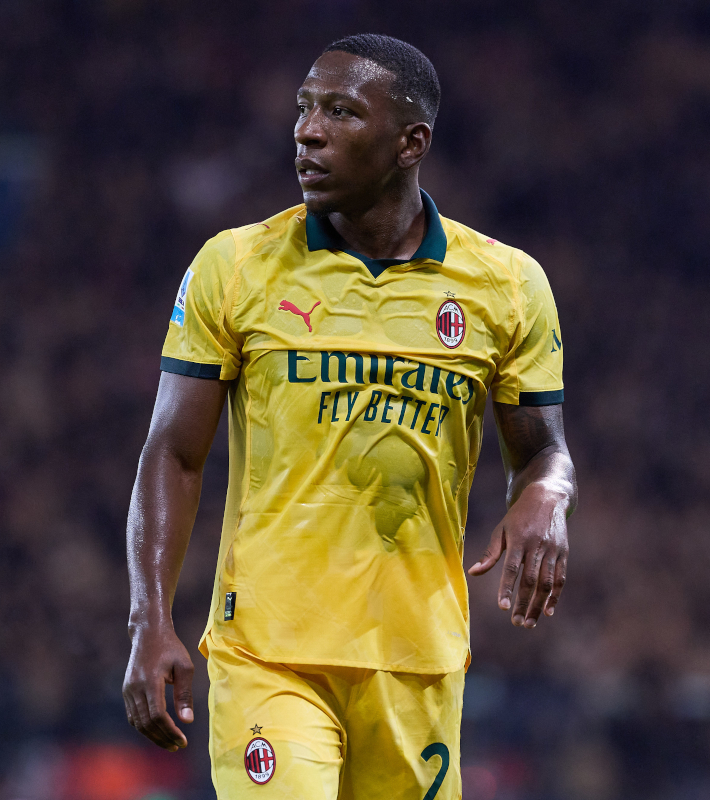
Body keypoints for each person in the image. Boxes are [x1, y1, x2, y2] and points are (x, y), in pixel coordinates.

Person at [122, 33, 577, 799]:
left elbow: (544, 452)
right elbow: (173, 452)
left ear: (410, 143)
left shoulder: (506, 284)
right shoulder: (235, 266)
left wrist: (547, 496)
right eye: (304, 108)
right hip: (270, 652)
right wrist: (149, 620)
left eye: (340, 112)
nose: (307, 130)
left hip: (416, 659)